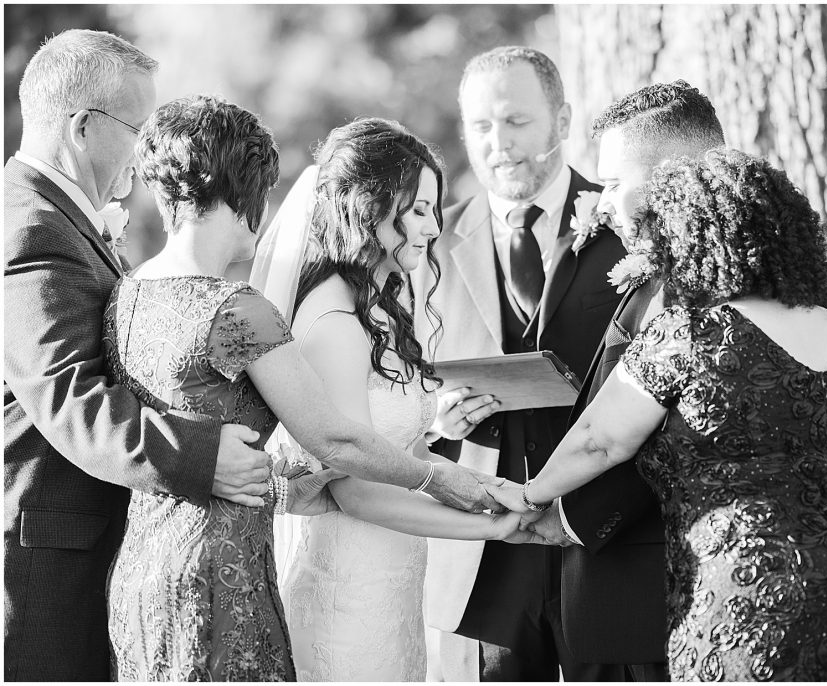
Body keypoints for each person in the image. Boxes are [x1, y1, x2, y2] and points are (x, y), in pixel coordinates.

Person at [103, 95, 512, 681]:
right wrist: (449, 481)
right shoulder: (241, 311)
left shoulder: (127, 293)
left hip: (142, 567)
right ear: (247, 193)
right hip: (223, 573)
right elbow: (334, 440)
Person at [504, 149, 827, 680]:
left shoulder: (690, 334)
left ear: (689, 242)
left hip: (754, 596)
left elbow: (600, 441)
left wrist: (528, 496)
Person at [3, 29, 268, 681]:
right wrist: (201, 457)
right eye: (138, 126)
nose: (149, 150)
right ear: (84, 127)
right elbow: (68, 395)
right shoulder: (31, 227)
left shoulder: (57, 216)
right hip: (49, 563)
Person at [254, 118, 540, 682]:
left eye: (434, 209)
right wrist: (493, 527)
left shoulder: (377, 308)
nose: (434, 226)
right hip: (346, 589)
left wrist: (492, 490)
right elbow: (357, 489)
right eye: (417, 210)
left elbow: (403, 451)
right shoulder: (334, 322)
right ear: (368, 207)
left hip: (393, 582)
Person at [409, 46, 626, 681]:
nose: (497, 144)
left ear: (561, 120)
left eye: (516, 121)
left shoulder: (624, 223)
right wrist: (434, 420)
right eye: (480, 126)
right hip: (485, 540)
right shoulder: (431, 242)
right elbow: (394, 379)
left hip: (602, 530)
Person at [522, 80, 727, 682]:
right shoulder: (655, 277)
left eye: (613, 183)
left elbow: (654, 438)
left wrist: (558, 512)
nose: (603, 203)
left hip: (659, 593)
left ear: (674, 173)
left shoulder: (707, 289)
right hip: (617, 591)